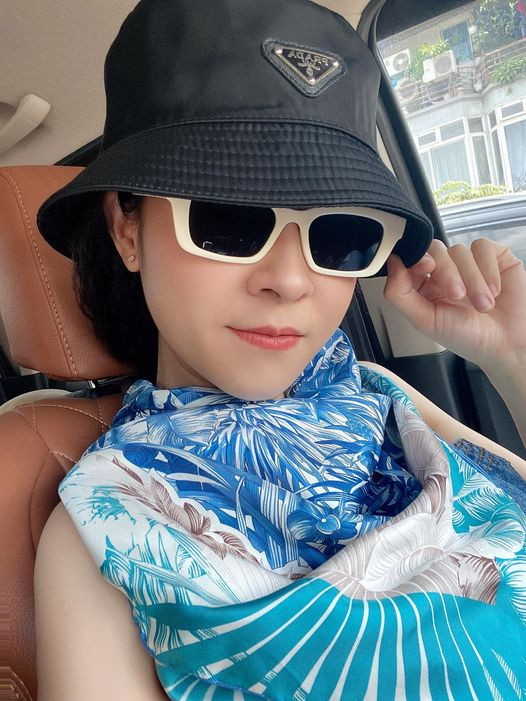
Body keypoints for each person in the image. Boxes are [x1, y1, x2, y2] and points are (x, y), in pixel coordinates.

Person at [33, 0, 526, 699]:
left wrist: (511, 353)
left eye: (341, 234)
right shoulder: (104, 526)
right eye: (230, 220)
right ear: (127, 229)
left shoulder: (379, 392)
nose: (291, 281)